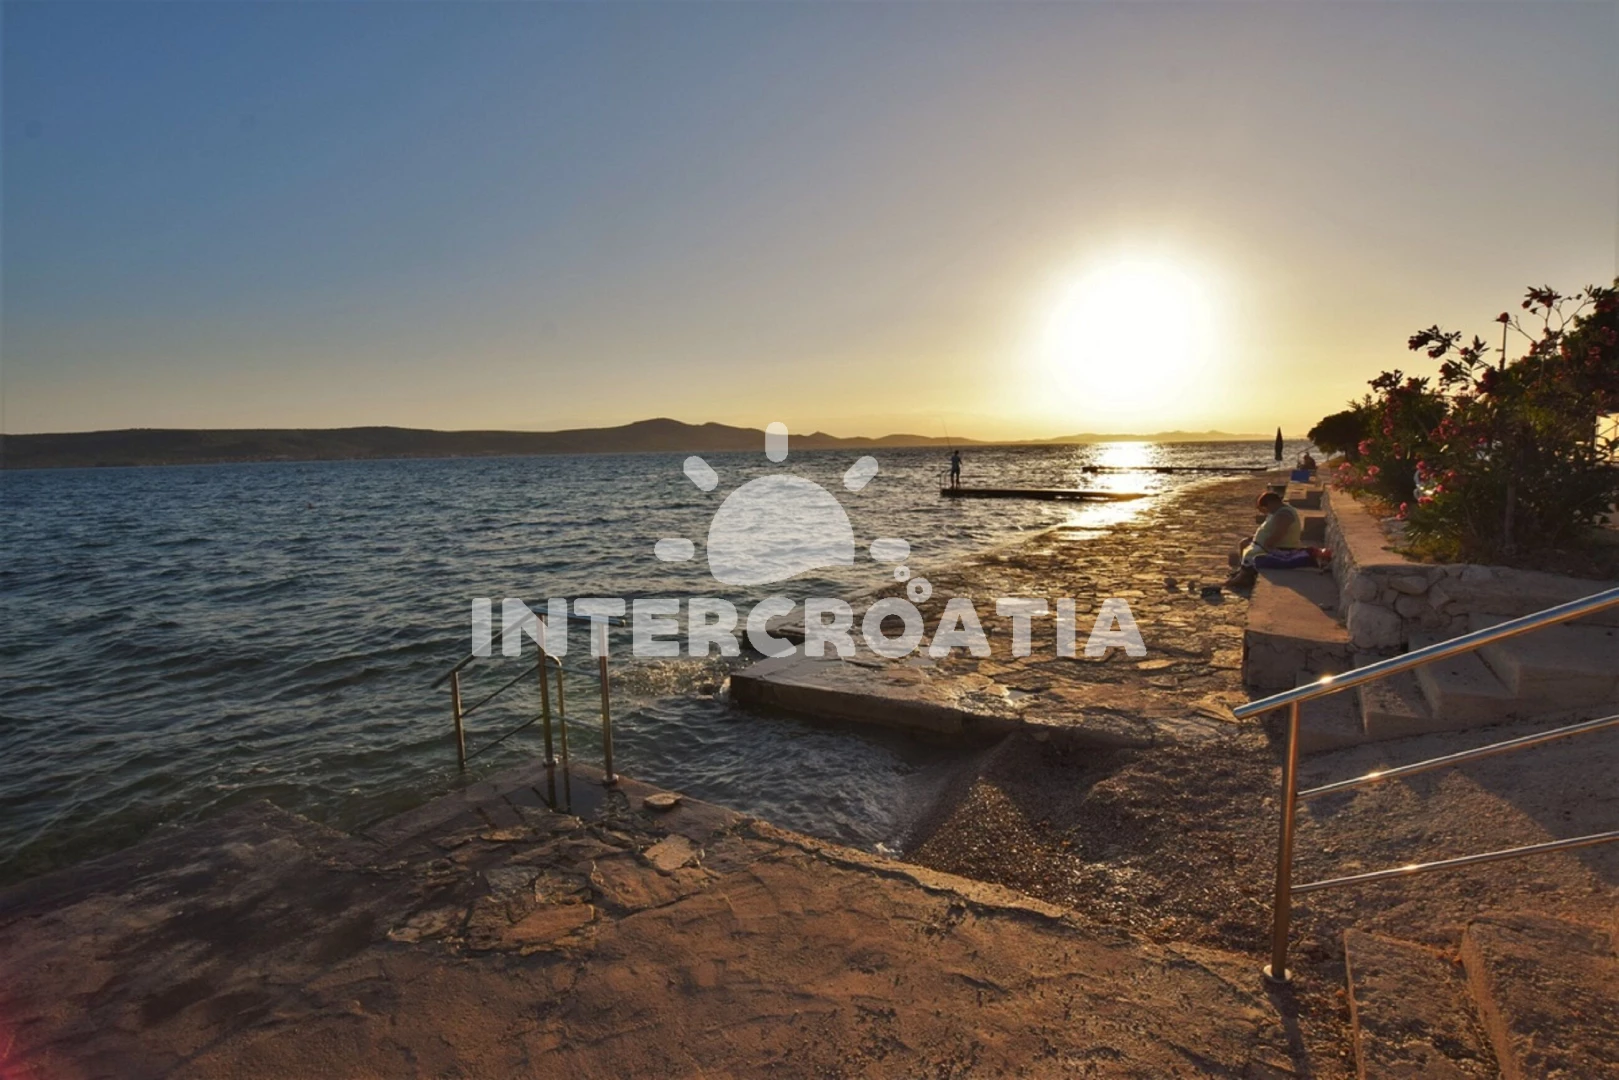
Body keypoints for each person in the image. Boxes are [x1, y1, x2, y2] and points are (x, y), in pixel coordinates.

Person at [1225, 491, 1313, 588]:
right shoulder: (1277, 511)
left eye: (1266, 508)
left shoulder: (1284, 514)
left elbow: (1279, 534)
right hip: (1265, 544)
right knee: (1244, 543)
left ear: (1271, 503)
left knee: (1250, 553)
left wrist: (1266, 545)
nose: (1266, 511)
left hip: (1282, 547)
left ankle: (1242, 577)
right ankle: (1243, 571)